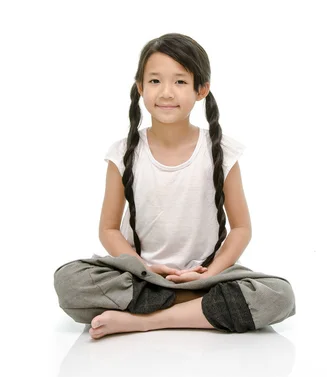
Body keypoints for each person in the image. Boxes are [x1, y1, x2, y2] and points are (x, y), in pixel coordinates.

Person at [54, 33, 295, 340]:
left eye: (180, 82)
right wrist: (144, 268)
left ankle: (148, 319)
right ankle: (196, 309)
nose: (166, 92)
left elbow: (241, 229)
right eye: (155, 81)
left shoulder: (222, 152)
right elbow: (109, 230)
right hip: (140, 276)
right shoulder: (122, 153)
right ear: (140, 87)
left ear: (201, 89)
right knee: (70, 281)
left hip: (206, 277)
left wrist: (212, 272)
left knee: (278, 294)